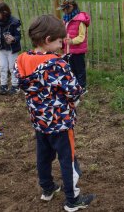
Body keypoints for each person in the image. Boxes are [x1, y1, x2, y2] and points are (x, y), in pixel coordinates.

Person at [14, 15, 94, 211]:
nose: (62, 45)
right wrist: (75, 97)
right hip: (61, 123)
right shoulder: (57, 64)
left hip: (39, 121)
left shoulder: (22, 59)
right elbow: (74, 90)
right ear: (48, 40)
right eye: (60, 41)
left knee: (43, 156)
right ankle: (72, 200)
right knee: (69, 159)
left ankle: (47, 189)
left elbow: (21, 84)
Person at [58, 0, 90, 91]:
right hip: (67, 50)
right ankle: (75, 87)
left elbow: (81, 37)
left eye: (65, 8)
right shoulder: (65, 19)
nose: (63, 11)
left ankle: (82, 88)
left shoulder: (80, 20)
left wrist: (72, 41)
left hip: (78, 51)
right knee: (71, 70)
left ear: (71, 7)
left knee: (79, 70)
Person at [0, 1, 21, 95]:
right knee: (2, 67)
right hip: (2, 49)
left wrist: (13, 39)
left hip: (12, 49)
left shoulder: (14, 22)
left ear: (4, 12)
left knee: (12, 68)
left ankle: (15, 86)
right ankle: (3, 85)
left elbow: (18, 36)